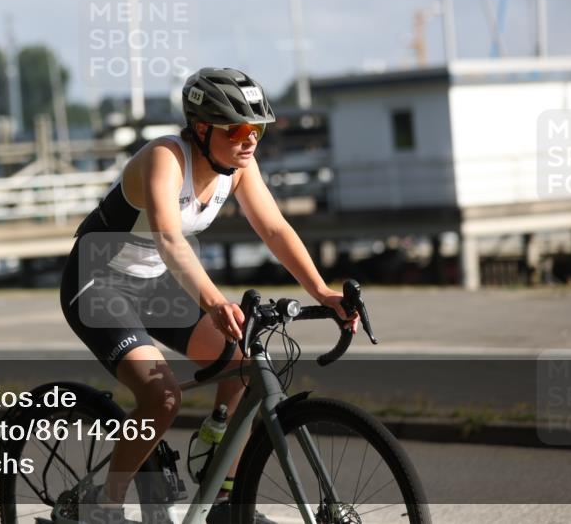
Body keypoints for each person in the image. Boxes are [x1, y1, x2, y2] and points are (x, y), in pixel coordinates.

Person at [59, 67, 358, 524]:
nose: (250, 140)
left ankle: (221, 483)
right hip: (97, 281)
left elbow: (274, 228)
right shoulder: (165, 159)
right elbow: (170, 240)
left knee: (243, 361)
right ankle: (104, 504)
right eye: (237, 130)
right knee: (162, 399)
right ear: (201, 129)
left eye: (256, 129)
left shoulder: (238, 167)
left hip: (154, 282)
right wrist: (216, 301)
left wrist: (321, 290)